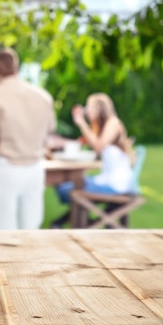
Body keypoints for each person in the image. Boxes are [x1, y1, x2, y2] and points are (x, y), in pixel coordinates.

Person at [0, 47, 56, 230]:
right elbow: (50, 131)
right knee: (31, 228)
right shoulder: (43, 96)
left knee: (5, 229)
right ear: (17, 67)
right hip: (35, 169)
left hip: (6, 167)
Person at [51, 92, 135, 228]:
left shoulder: (113, 123)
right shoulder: (104, 126)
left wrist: (81, 123)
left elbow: (98, 147)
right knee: (63, 185)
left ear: (99, 108)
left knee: (69, 188)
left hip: (117, 184)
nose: (87, 110)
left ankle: (78, 224)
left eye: (89, 107)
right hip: (108, 180)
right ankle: (79, 223)